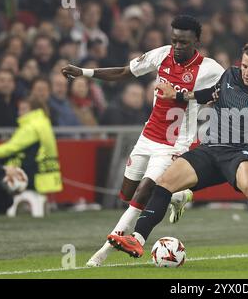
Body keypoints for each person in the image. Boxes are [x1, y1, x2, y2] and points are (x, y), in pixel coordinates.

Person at [107, 40, 248, 268]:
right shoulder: (230, 76)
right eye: (245, 65)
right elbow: (207, 94)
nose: (246, 72)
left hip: (240, 154)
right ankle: (137, 240)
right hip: (210, 149)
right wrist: (176, 95)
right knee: (164, 182)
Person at [62, 15, 224, 267]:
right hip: (148, 136)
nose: (178, 46)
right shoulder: (162, 55)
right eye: (175, 41)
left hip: (174, 143)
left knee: (144, 190)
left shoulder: (210, 68)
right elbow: (125, 71)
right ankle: (177, 195)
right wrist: (84, 72)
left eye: (184, 42)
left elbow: (227, 90)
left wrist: (199, 99)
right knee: (126, 195)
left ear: (196, 41)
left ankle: (103, 251)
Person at [0, 97, 63, 203]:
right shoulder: (44, 122)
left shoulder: (31, 126)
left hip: (30, 171)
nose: (19, 112)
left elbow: (10, 148)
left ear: (33, 110)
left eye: (23, 109)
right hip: (43, 171)